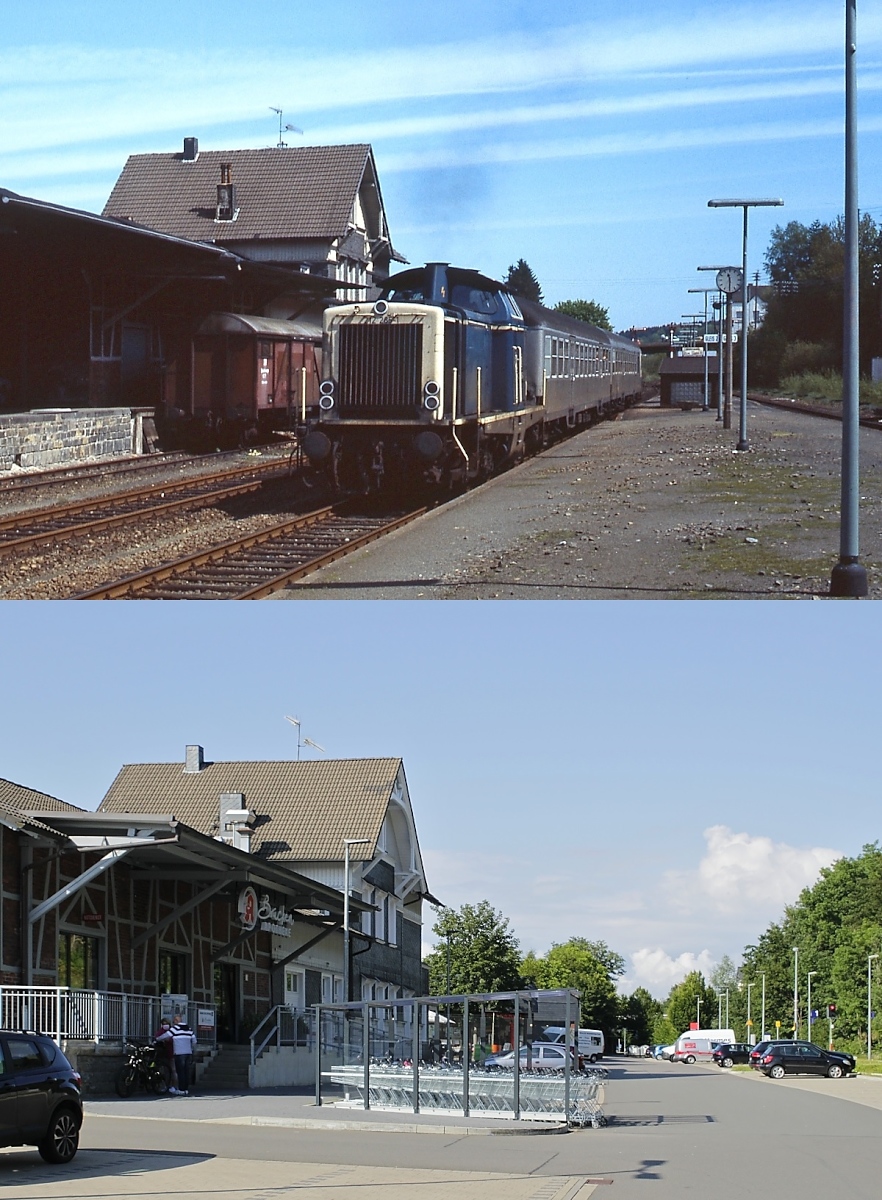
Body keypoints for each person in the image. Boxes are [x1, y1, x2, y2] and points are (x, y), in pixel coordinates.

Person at [170, 1021, 197, 1095]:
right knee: (186, 1071)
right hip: (188, 1053)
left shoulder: (175, 1028)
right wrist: (192, 1050)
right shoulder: (189, 1029)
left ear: (176, 1022)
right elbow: (194, 1041)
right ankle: (185, 1089)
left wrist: (157, 1039)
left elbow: (166, 1035)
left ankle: (181, 1089)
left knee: (180, 1071)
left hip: (179, 1053)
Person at [154, 1019, 179, 1094]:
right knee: (164, 1071)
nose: (165, 1025)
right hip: (163, 1054)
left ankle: (174, 1086)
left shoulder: (172, 1031)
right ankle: (165, 1086)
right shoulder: (161, 1031)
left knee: (173, 1070)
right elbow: (157, 1037)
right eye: (163, 1024)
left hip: (172, 1053)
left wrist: (168, 1040)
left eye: (166, 1023)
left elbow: (174, 1040)